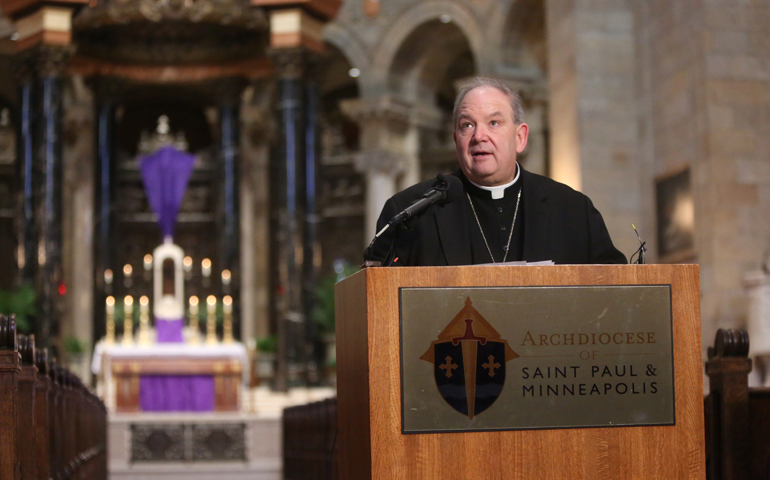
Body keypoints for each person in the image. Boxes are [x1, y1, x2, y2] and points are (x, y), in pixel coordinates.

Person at [365, 76, 627, 266]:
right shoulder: (411, 213)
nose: (479, 136)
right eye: (467, 125)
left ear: (520, 137)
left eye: (494, 123)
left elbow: (613, 290)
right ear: (456, 139)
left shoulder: (572, 210)